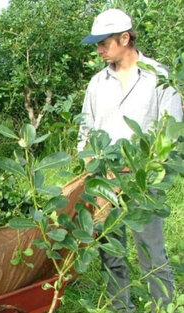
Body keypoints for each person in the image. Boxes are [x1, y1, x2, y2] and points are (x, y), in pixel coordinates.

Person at [78, 8, 182, 312]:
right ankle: (121, 308)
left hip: (143, 182)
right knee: (111, 252)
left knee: (151, 251)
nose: (98, 50)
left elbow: (171, 133)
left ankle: (163, 307)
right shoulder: (97, 83)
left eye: (104, 43)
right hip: (104, 182)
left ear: (125, 38)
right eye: (97, 44)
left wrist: (137, 169)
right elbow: (86, 130)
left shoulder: (159, 77)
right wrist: (91, 171)